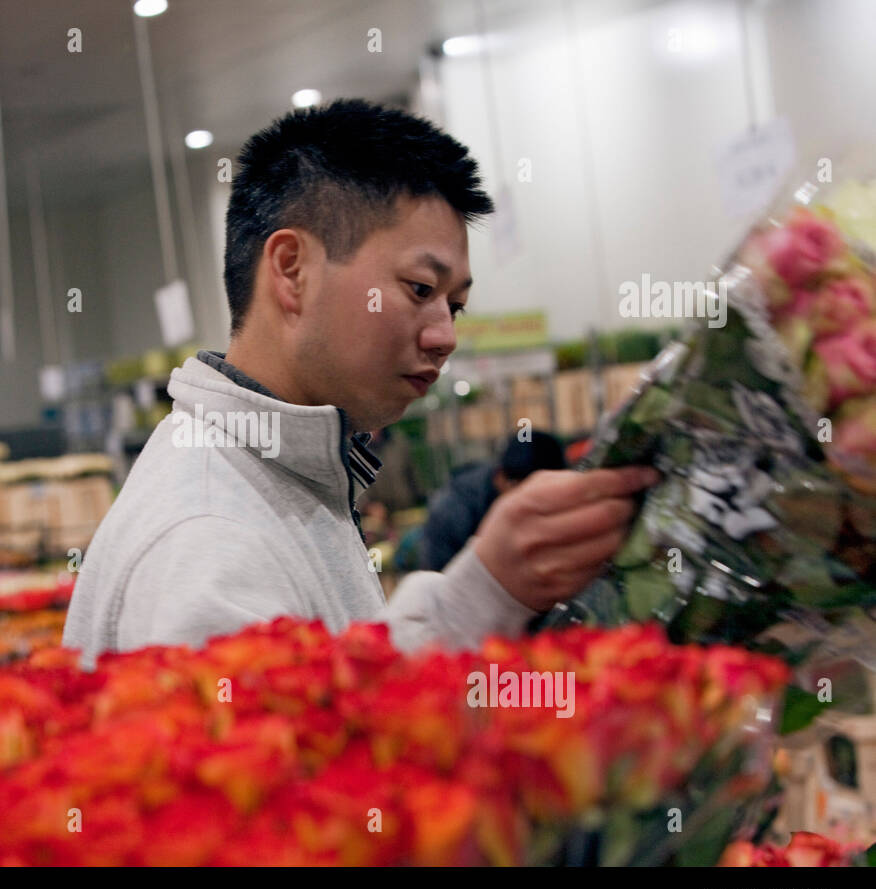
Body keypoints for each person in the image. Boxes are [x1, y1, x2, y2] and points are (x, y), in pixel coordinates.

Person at [63, 99, 656, 661]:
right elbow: (286, 762)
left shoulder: (285, 474)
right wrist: (479, 599)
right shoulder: (207, 539)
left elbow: (336, 705)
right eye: (420, 290)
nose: (445, 336)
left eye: (455, 306)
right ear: (292, 272)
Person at [420, 430, 567, 572]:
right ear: (504, 479)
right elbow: (441, 580)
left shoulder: (507, 494)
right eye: (537, 493)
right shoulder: (453, 512)